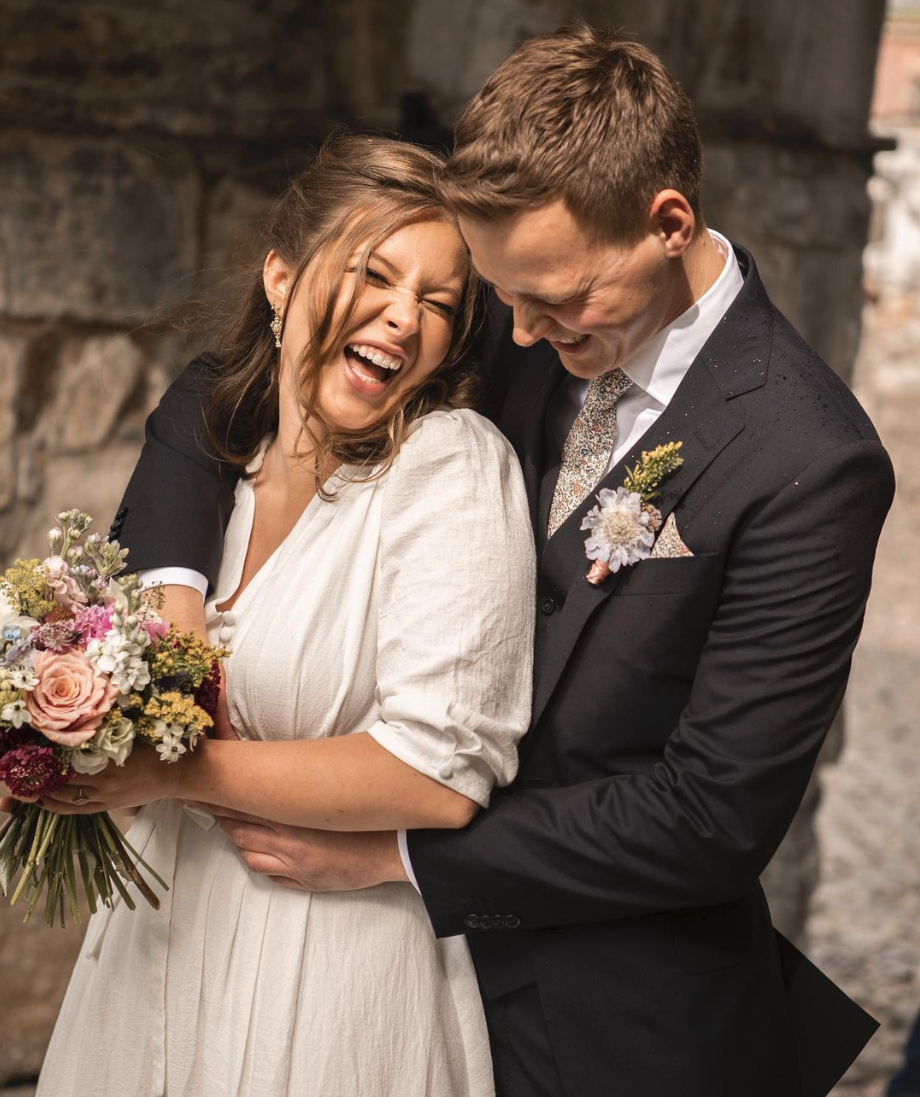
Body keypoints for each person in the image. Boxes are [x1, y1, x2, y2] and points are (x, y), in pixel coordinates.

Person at [96, 23, 894, 1097]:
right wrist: (171, 607)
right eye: (495, 294)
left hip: (610, 1019)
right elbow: (229, 380)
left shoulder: (811, 457)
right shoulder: (530, 303)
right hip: (371, 988)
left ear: (667, 223)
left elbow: (710, 815)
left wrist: (405, 852)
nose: (511, 334)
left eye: (555, 301)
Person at [22, 135, 536, 1097]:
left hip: (332, 962)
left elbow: (437, 773)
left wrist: (178, 767)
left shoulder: (450, 467)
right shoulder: (217, 454)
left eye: (437, 302)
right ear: (281, 277)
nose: (402, 316)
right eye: (375, 275)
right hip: (158, 940)